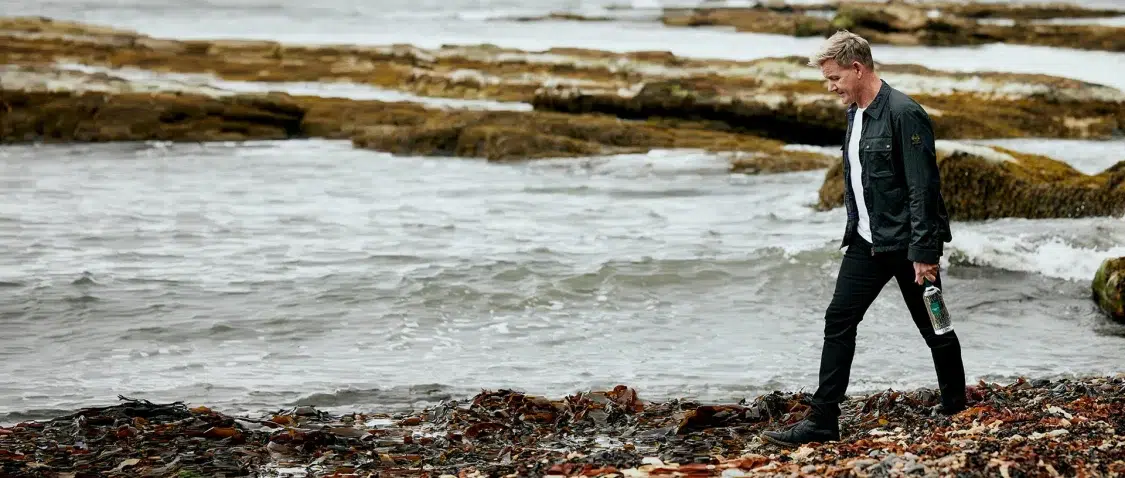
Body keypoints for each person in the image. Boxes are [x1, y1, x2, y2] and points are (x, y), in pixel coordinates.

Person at [760, 30, 967, 448]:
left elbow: (923, 189)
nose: (831, 87)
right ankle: (823, 420)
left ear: (857, 68)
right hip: (866, 243)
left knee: (936, 325)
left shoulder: (904, 113)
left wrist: (925, 253)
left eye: (834, 78)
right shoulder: (855, 111)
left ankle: (956, 406)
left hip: (908, 247)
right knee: (839, 319)